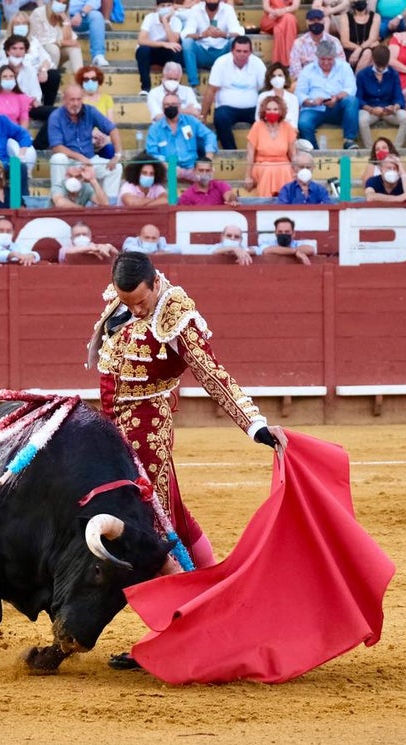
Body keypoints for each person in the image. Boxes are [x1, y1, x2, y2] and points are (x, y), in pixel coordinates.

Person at [87, 251, 287, 599]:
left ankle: (190, 596)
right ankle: (211, 584)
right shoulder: (124, 297)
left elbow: (213, 374)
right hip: (109, 423)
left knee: (155, 519)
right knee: (166, 511)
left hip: (147, 430)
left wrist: (255, 424)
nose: (135, 309)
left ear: (155, 282)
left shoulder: (176, 316)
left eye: (140, 301)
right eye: (126, 302)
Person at [48, 85, 124, 198]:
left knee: (116, 168)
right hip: (69, 161)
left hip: (89, 160)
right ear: (64, 100)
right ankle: (59, 198)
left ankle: (108, 207)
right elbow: (56, 147)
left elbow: (112, 129)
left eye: (78, 99)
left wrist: (117, 155)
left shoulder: (90, 111)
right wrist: (79, 157)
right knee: (57, 158)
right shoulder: (56, 116)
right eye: (72, 99)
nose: (76, 103)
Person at [202, 36, 267, 151]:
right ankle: (231, 151)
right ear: (232, 51)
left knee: (266, 117)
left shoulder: (257, 63)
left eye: (245, 51)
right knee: (220, 118)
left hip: (252, 108)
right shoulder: (221, 62)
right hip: (227, 108)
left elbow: (266, 89)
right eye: (238, 51)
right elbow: (211, 90)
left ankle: (262, 151)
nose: (242, 54)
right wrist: (203, 116)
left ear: (250, 52)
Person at [295, 40, 359, 150]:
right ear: (317, 57)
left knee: (352, 101)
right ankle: (314, 151)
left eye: (329, 59)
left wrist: (337, 97)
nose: (326, 62)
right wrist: (312, 102)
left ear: (334, 57)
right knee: (303, 123)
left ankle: (349, 140)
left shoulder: (344, 67)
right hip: (315, 108)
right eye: (323, 59)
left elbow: (351, 88)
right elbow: (299, 93)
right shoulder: (308, 70)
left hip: (337, 107)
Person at [146, 92, 218, 182]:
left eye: (173, 104)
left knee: (205, 175)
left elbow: (209, 135)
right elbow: (152, 154)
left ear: (180, 107)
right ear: (162, 107)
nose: (170, 107)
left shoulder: (191, 121)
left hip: (192, 167)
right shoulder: (155, 129)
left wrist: (207, 159)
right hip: (168, 168)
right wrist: (172, 168)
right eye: (167, 105)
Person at [356, 44, 406, 148]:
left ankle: (396, 150)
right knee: (361, 120)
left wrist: (394, 107)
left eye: (383, 66)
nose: (380, 69)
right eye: (378, 65)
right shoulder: (362, 75)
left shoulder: (393, 74)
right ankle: (370, 150)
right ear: (373, 60)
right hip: (370, 109)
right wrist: (371, 109)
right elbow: (359, 98)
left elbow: (399, 96)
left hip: (388, 110)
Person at [180, 0, 241, 89]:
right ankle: (194, 85)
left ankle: (233, 83)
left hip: (222, 54)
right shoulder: (196, 9)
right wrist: (202, 35)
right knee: (187, 43)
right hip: (202, 53)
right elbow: (185, 34)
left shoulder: (228, 9)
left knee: (235, 41)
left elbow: (239, 32)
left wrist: (223, 34)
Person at [246, 96, 297, 196]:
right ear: (264, 111)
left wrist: (296, 171)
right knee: (268, 170)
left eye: (275, 109)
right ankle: (266, 204)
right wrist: (248, 176)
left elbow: (294, 154)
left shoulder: (287, 127)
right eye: (268, 109)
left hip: (283, 164)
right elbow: (250, 154)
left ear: (281, 111)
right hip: (262, 164)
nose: (271, 112)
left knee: (286, 169)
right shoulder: (257, 126)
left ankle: (287, 203)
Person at [136, 0, 183, 96]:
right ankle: (145, 88)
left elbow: (174, 41)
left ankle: (172, 87)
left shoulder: (176, 20)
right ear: (157, 7)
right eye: (163, 6)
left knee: (176, 50)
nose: (166, 8)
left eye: (169, 5)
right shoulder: (150, 18)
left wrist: (165, 22)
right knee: (142, 50)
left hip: (167, 52)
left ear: (173, 7)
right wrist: (163, 44)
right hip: (152, 50)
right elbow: (141, 40)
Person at [288, 8, 343, 81]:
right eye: (312, 20)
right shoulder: (299, 43)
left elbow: (341, 64)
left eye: (319, 20)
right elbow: (295, 68)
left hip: (330, 80)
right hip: (307, 80)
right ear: (307, 22)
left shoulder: (333, 41)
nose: (316, 22)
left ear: (324, 21)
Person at [29, 0, 82, 75]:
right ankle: (52, 77)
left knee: (74, 48)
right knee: (53, 48)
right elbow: (40, 40)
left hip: (58, 52)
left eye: (64, 3)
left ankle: (80, 78)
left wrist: (66, 21)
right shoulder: (38, 13)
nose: (61, 4)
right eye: (58, 1)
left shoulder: (63, 15)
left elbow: (70, 40)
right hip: (40, 53)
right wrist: (60, 42)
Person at [256, 61, 299, 130]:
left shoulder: (293, 98)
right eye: (273, 76)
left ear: (285, 78)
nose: (277, 78)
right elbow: (258, 119)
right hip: (266, 132)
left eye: (280, 75)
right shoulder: (263, 96)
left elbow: (294, 123)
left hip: (287, 133)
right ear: (269, 79)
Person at [339, 0, 380, 73]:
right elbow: (345, 42)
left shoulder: (376, 17)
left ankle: (356, 80)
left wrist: (359, 49)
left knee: (368, 53)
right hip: (351, 51)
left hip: (368, 50)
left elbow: (372, 39)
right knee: (367, 53)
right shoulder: (345, 17)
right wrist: (358, 49)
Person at [68, 0, 108, 68]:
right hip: (58, 16)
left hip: (81, 16)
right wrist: (64, 17)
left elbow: (93, 2)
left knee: (96, 16)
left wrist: (80, 14)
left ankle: (98, 55)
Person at [261, 0, 299, 66]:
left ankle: (284, 60)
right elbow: (266, 7)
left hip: (287, 17)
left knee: (289, 19)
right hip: (271, 17)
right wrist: (275, 12)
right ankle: (285, 61)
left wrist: (283, 11)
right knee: (288, 20)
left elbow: (295, 6)